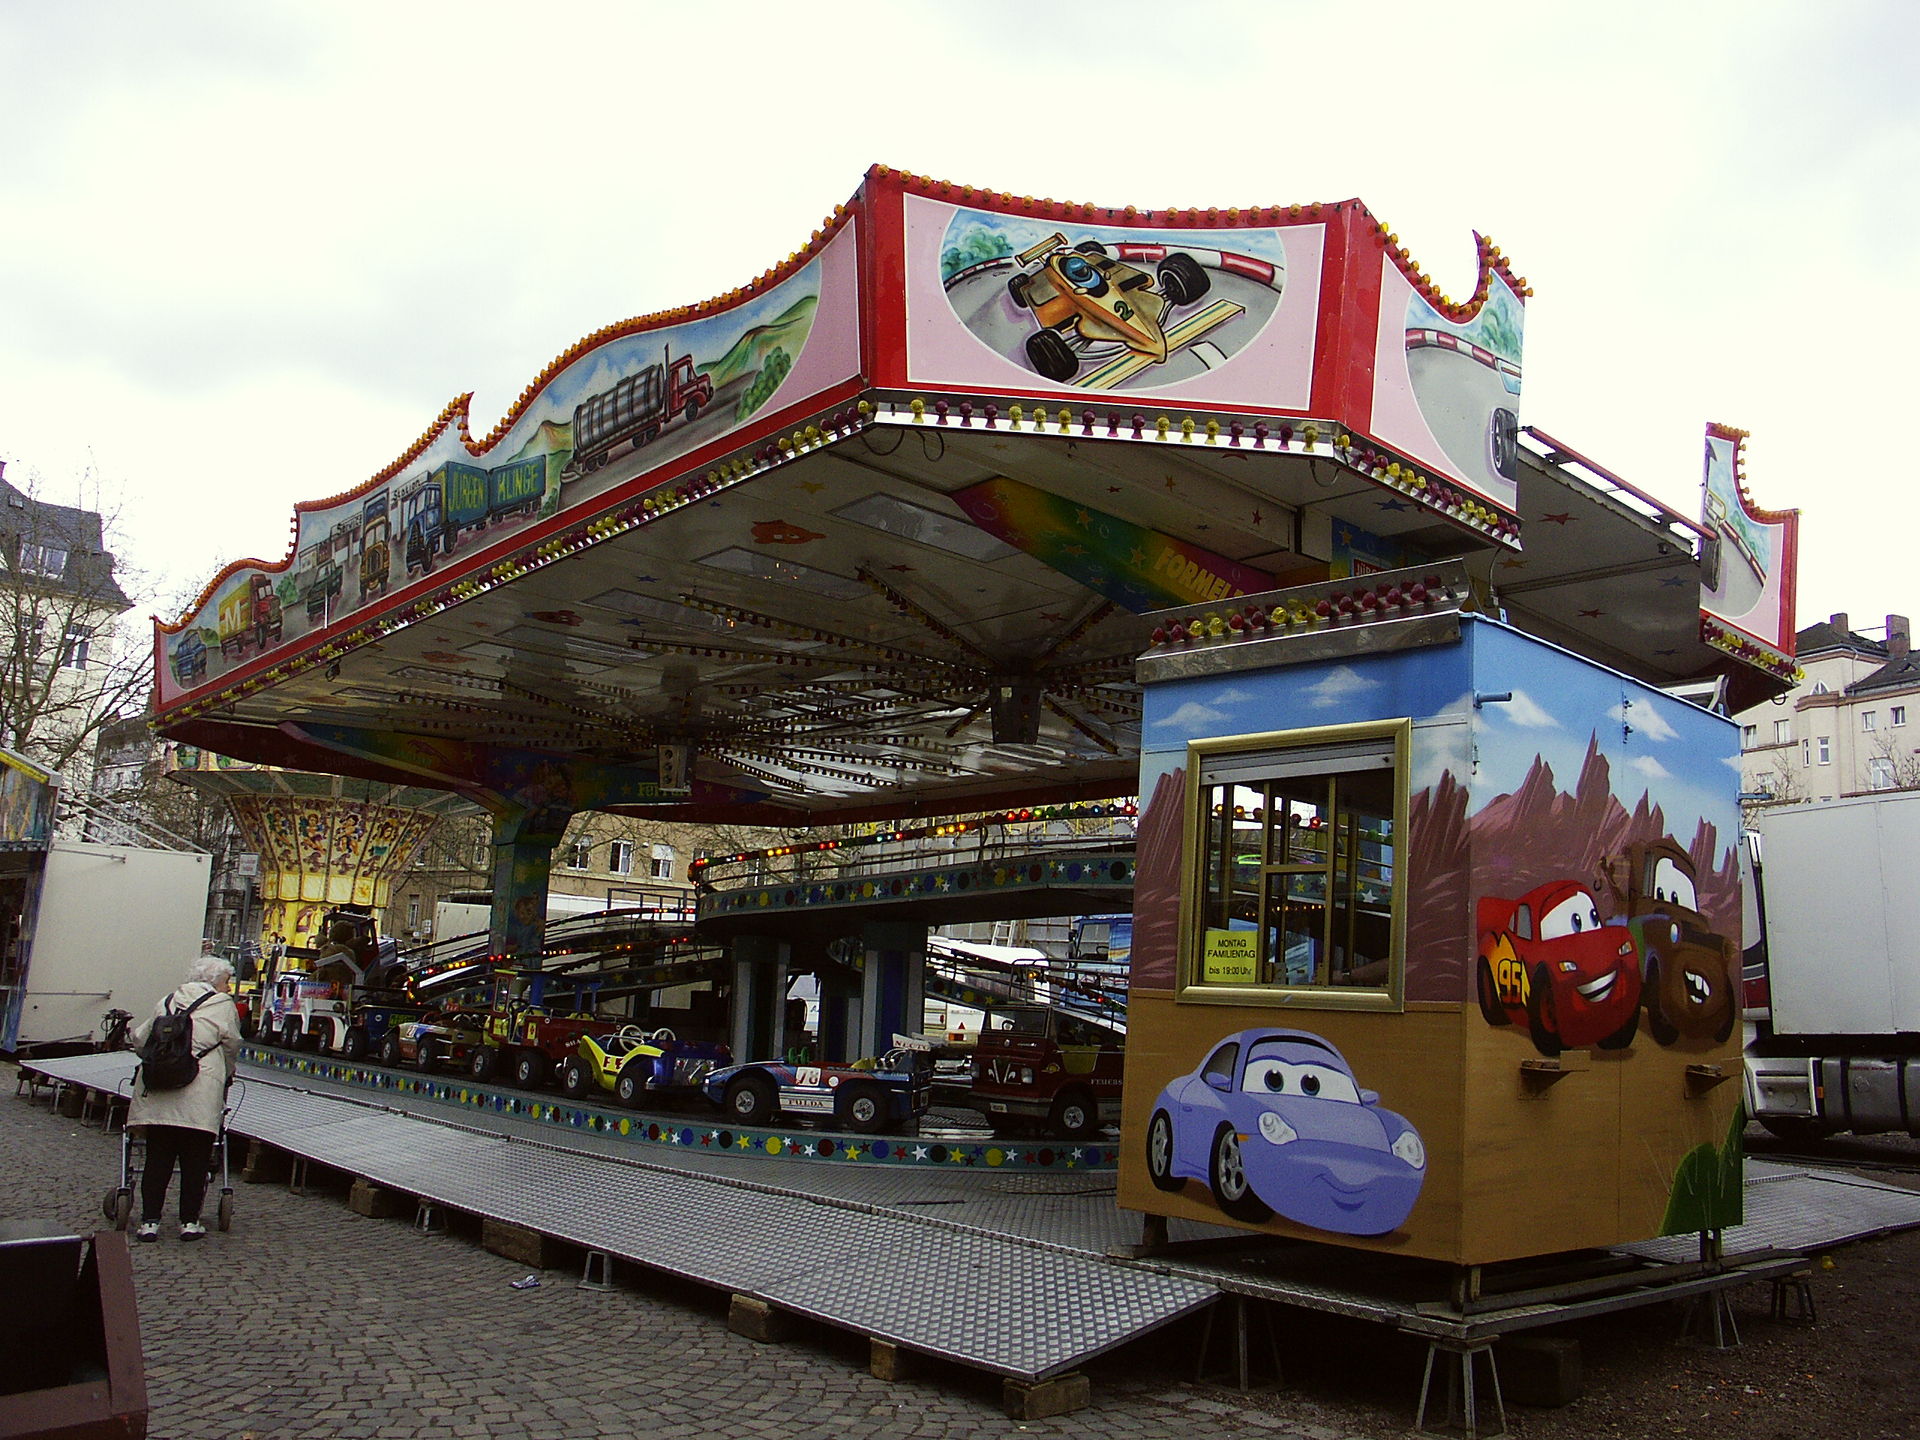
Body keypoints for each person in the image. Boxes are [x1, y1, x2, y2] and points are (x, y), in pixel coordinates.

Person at [127, 957, 241, 1242]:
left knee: (157, 1159)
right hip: (200, 1094)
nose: (228, 987)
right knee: (195, 1161)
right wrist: (227, 1072)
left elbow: (141, 1039)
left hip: (159, 1092)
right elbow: (232, 1044)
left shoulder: (167, 1001)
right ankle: (189, 1222)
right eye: (226, 981)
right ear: (214, 981)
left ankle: (149, 1223)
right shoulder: (222, 1005)